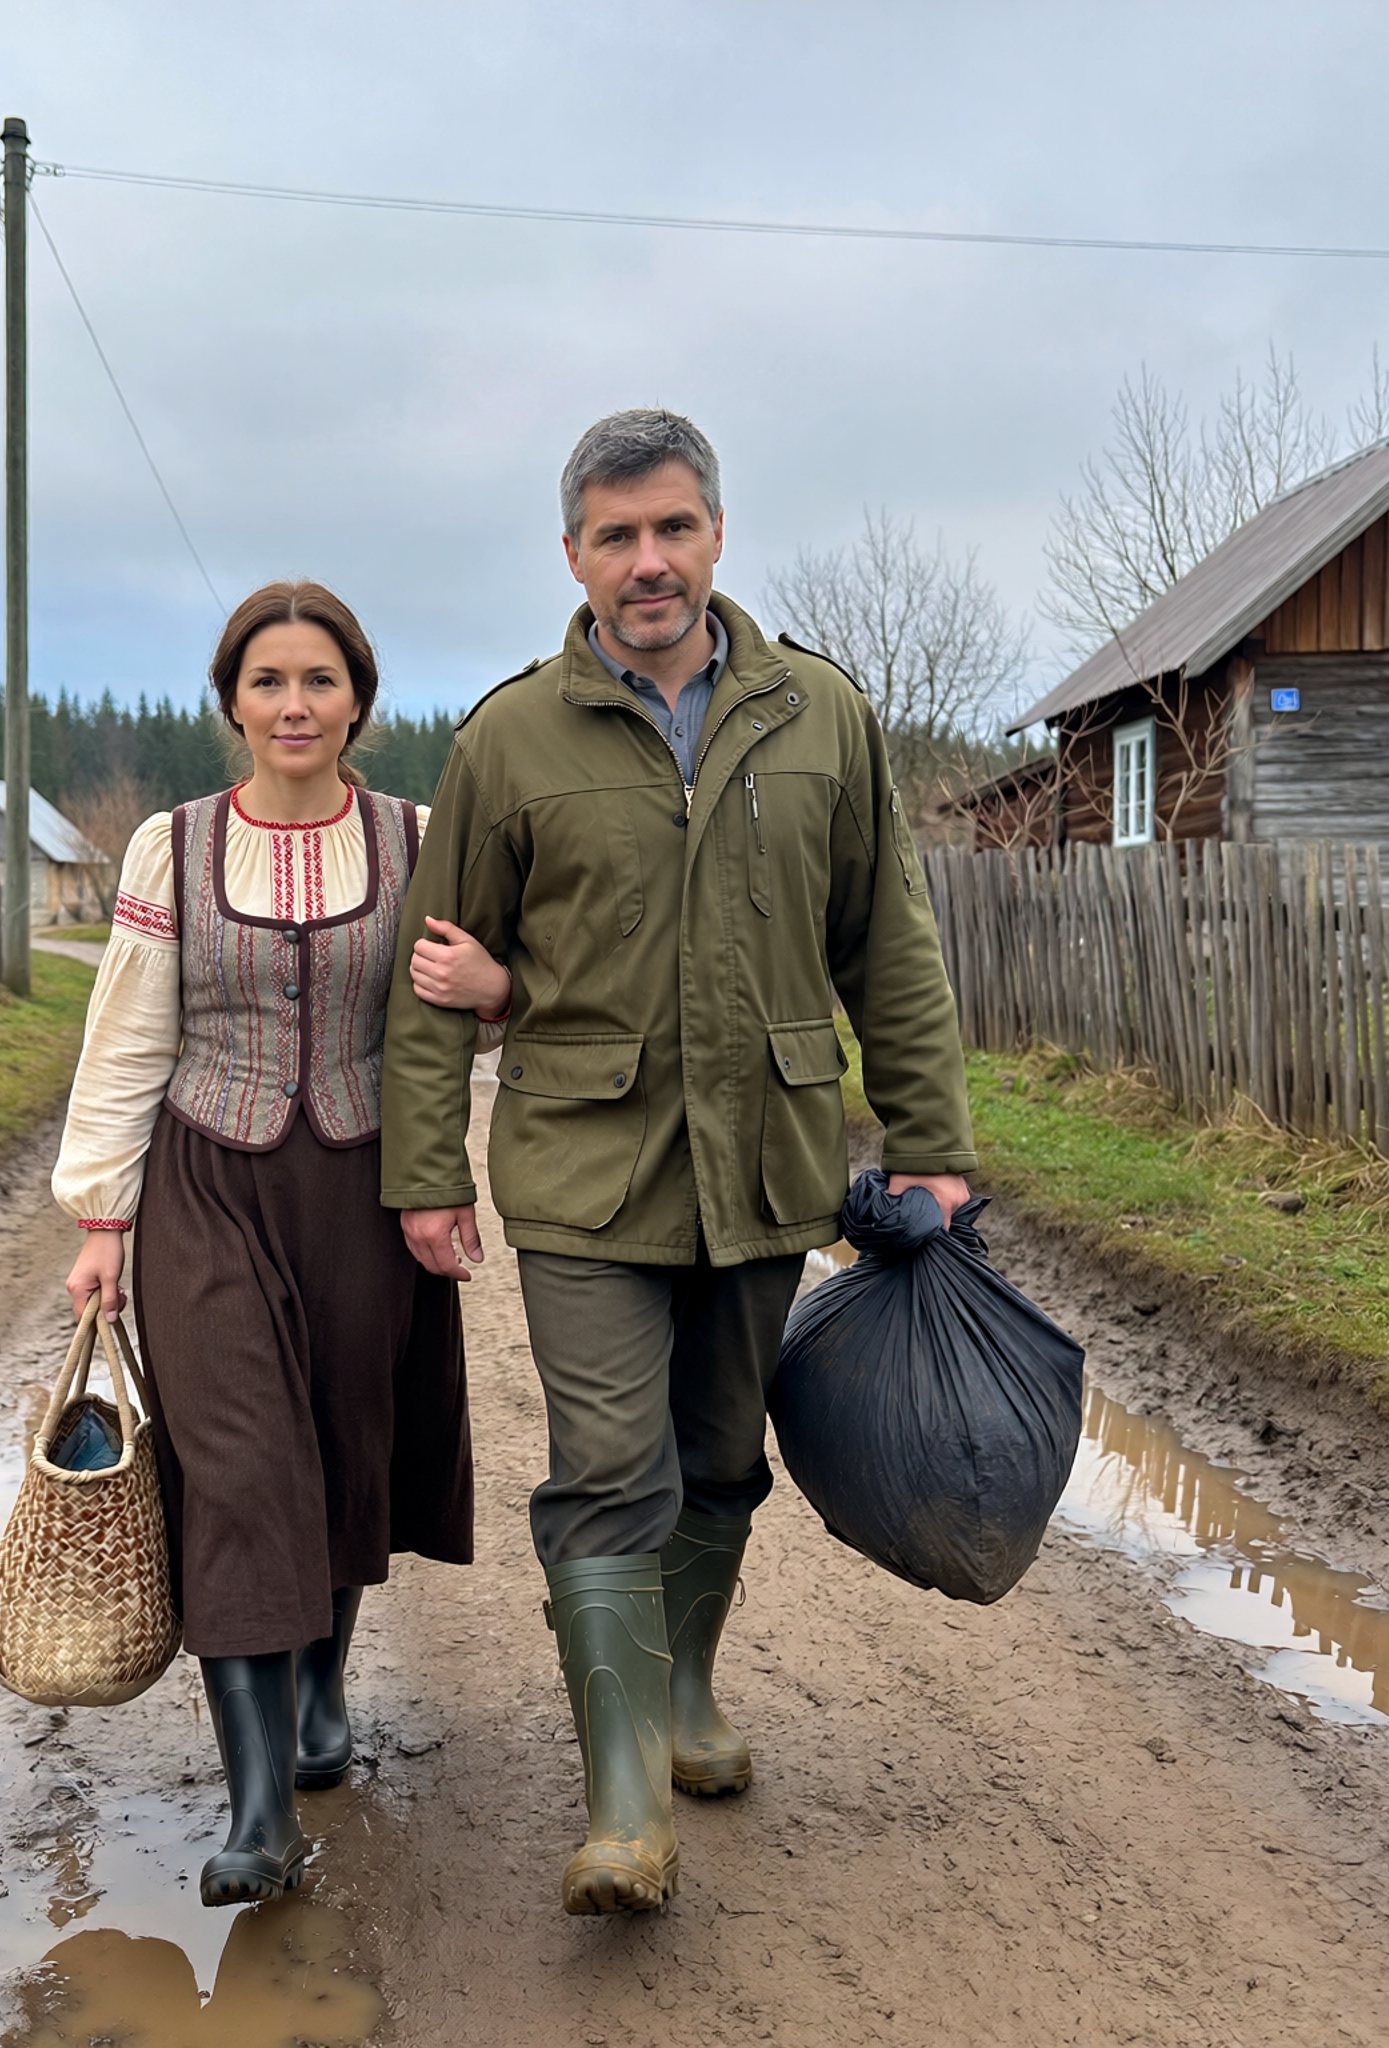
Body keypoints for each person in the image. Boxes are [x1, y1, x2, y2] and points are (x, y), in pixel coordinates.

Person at [383, 410, 977, 1916]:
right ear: (572, 555)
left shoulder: (821, 716)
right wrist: (427, 1171)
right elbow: (438, 969)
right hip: (583, 1169)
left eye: (672, 529)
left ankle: (686, 1689)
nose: (647, 562)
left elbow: (891, 951)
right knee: (609, 1470)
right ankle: (626, 1805)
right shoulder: (510, 739)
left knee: (720, 1458)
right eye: (615, 537)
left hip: (769, 1165)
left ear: (717, 534)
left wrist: (933, 1148)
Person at [53, 580, 510, 1907]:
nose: (295, 704)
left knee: (345, 1447)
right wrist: (103, 1217)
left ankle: (323, 1688)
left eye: (320, 680)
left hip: (368, 1189)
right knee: (239, 1471)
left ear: (358, 699)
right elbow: (128, 1036)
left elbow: (463, 1012)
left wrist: (497, 1003)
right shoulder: (173, 847)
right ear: (232, 702)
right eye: (268, 681)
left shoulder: (417, 838)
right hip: (210, 1185)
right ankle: (258, 1813)